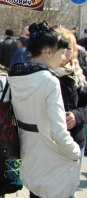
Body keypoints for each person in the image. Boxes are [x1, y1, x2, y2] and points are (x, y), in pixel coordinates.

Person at [8, 22, 81, 198]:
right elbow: (58, 131)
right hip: (53, 159)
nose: (64, 58)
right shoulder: (49, 81)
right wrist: (75, 152)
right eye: (62, 53)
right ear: (48, 51)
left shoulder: (17, 76)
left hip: (29, 156)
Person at [52, 26, 87, 198]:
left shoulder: (79, 75)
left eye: (69, 48)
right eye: (61, 47)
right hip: (47, 143)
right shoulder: (42, 73)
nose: (65, 53)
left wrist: (77, 115)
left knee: (68, 191)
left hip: (73, 141)